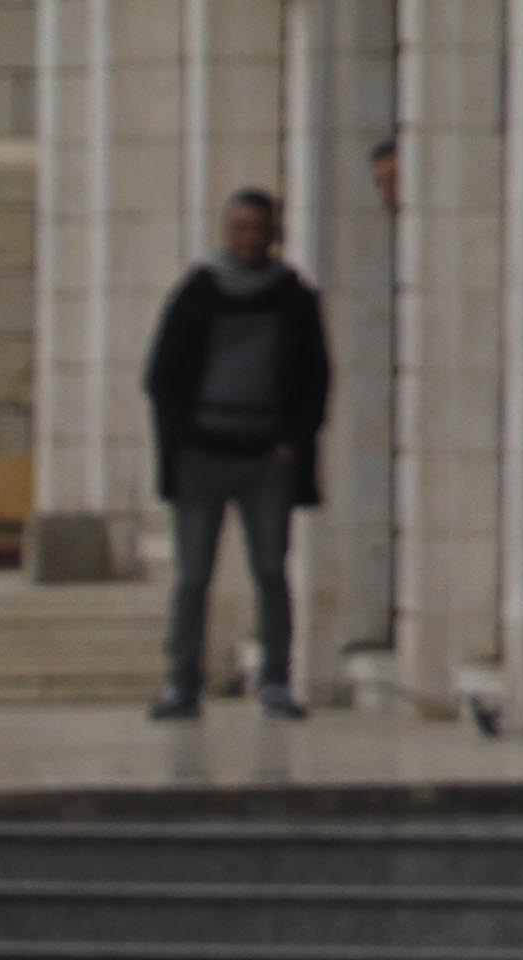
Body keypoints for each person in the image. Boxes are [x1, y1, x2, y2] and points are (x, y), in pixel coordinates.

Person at [144, 189, 333, 723]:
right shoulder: (198, 293)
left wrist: (292, 442)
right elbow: (162, 377)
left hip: (266, 457)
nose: (248, 237)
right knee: (193, 574)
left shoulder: (293, 298)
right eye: (239, 227)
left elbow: (314, 379)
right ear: (226, 231)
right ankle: (182, 681)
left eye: (258, 227)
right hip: (202, 455)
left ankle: (276, 679)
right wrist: (179, 444)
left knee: (271, 571)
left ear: (273, 233)